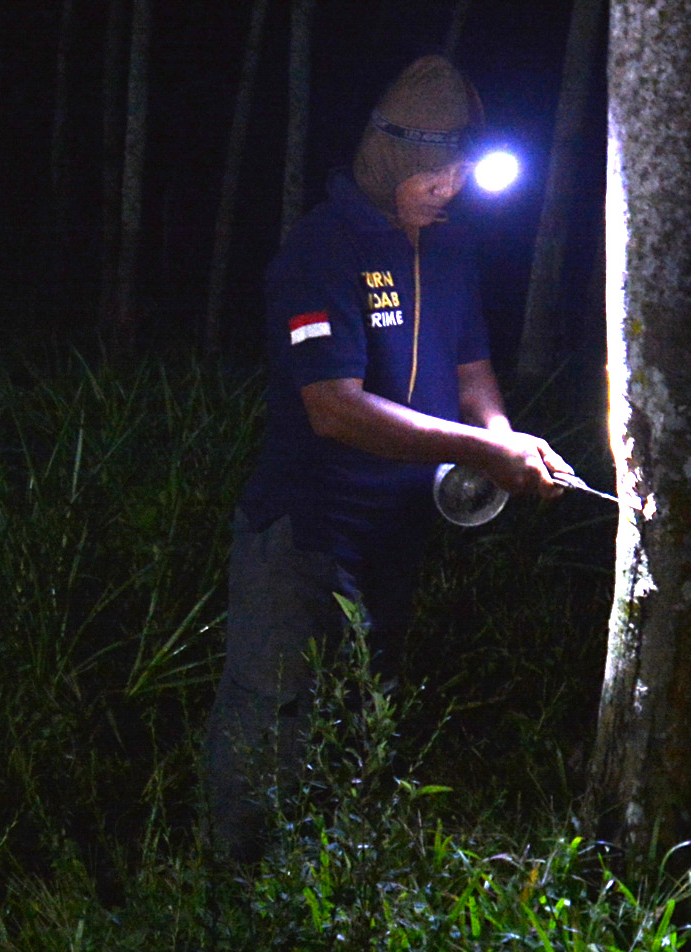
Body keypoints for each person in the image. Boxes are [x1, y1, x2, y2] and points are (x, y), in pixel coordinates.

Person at [204, 55, 583, 864]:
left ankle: (336, 879)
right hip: (307, 530)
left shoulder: (449, 250)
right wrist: (480, 447)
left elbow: (473, 368)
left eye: (462, 175)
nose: (450, 190)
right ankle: (236, 885)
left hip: (396, 529)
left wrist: (505, 437)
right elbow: (332, 407)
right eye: (435, 173)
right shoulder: (322, 250)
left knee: (364, 707)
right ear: (389, 158)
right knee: (273, 708)